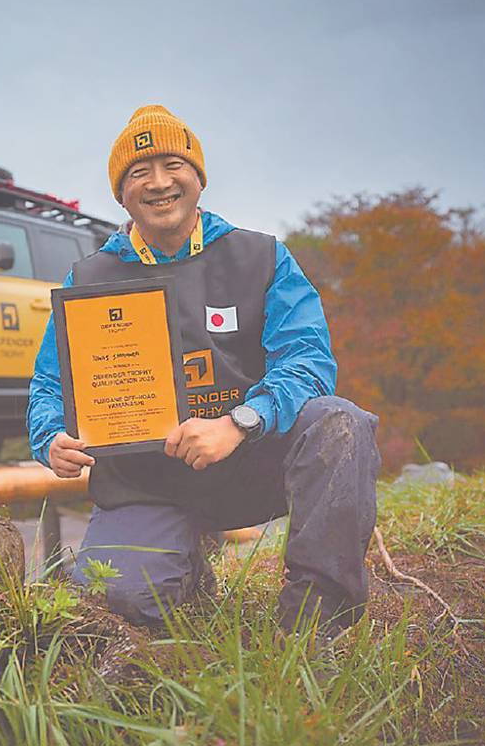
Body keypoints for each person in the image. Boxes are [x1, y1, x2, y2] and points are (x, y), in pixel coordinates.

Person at [27, 105, 380, 635]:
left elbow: (308, 360)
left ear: (199, 178)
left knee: (339, 422)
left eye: (173, 165)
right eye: (139, 173)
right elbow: (50, 382)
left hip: (250, 457)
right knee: (117, 597)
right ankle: (185, 568)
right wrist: (49, 436)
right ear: (121, 194)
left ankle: (315, 621)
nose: (159, 183)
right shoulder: (90, 279)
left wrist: (239, 422)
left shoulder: (261, 257)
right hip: (147, 482)